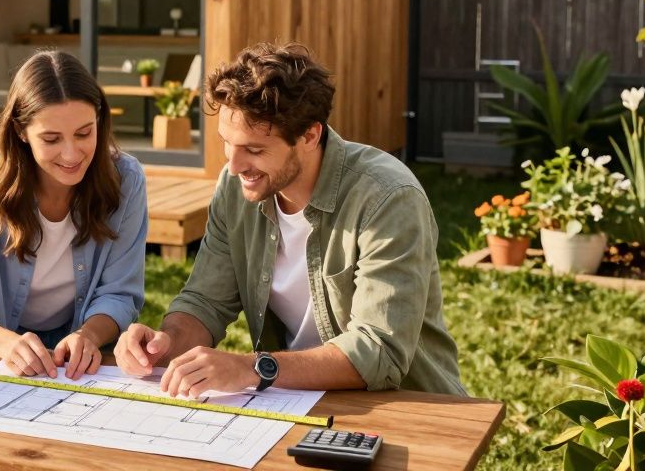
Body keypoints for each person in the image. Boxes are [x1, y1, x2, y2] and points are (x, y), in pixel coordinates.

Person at [114, 42, 465, 397]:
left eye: (254, 150)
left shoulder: (388, 198)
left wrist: (251, 369)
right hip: (297, 400)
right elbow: (206, 301)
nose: (233, 166)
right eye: (226, 143)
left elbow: (378, 352)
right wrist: (165, 343)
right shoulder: (235, 188)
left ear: (310, 135)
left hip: (406, 405)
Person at [0, 50, 149, 381]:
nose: (71, 154)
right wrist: (6, 343)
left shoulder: (126, 180)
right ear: (21, 131)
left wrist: (88, 336)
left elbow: (120, 293)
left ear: (99, 121)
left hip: (81, 353)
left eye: (84, 133)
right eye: (51, 139)